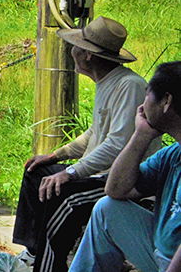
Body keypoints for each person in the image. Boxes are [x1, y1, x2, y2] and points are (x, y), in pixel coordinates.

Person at [12, 16, 160, 272]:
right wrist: (56, 157)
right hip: (98, 174)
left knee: (65, 200)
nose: (72, 51)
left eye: (76, 46)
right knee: (35, 172)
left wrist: (71, 172)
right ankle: (35, 252)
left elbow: (117, 146)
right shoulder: (107, 83)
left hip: (119, 180)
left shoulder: (129, 85)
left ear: (88, 55)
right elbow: (95, 133)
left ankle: (50, 266)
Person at [67, 61, 181, 272]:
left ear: (166, 101)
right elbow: (117, 189)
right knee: (107, 208)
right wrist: (141, 135)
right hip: (160, 253)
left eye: (147, 95)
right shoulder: (172, 155)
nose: (142, 105)